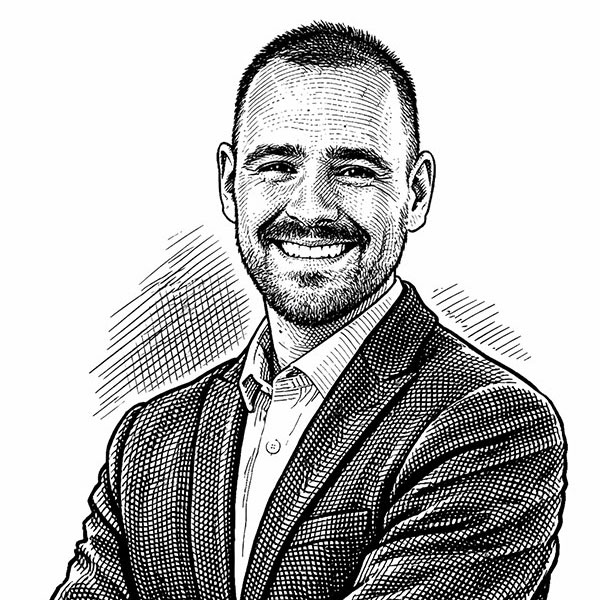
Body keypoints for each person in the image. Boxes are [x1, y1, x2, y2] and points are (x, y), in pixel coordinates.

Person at [52, 22, 566, 600]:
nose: (309, 208)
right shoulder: (148, 441)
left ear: (417, 193)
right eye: (276, 166)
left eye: (355, 171)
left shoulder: (493, 423)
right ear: (229, 183)